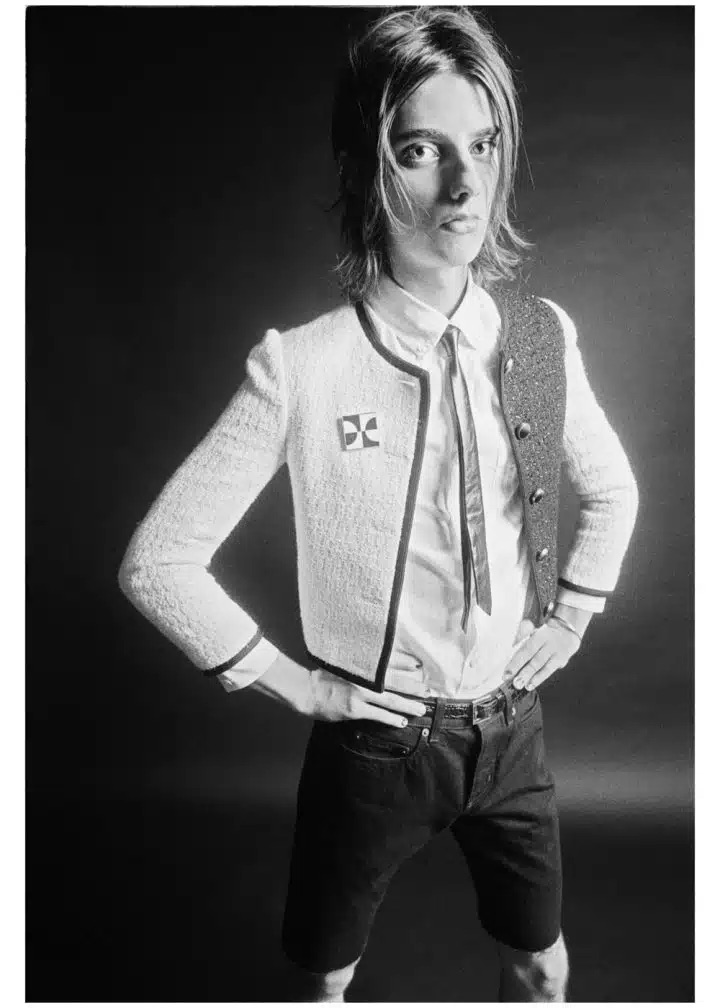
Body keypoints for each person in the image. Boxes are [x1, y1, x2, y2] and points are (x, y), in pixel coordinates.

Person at [119, 6, 639, 1002]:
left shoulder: (540, 337)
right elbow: (158, 561)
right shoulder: (303, 367)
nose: (464, 184)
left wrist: (573, 615)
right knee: (324, 982)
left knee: (542, 967)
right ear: (367, 168)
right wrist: (298, 686)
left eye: (483, 145)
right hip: (373, 747)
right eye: (422, 150)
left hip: (511, 731)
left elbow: (612, 492)